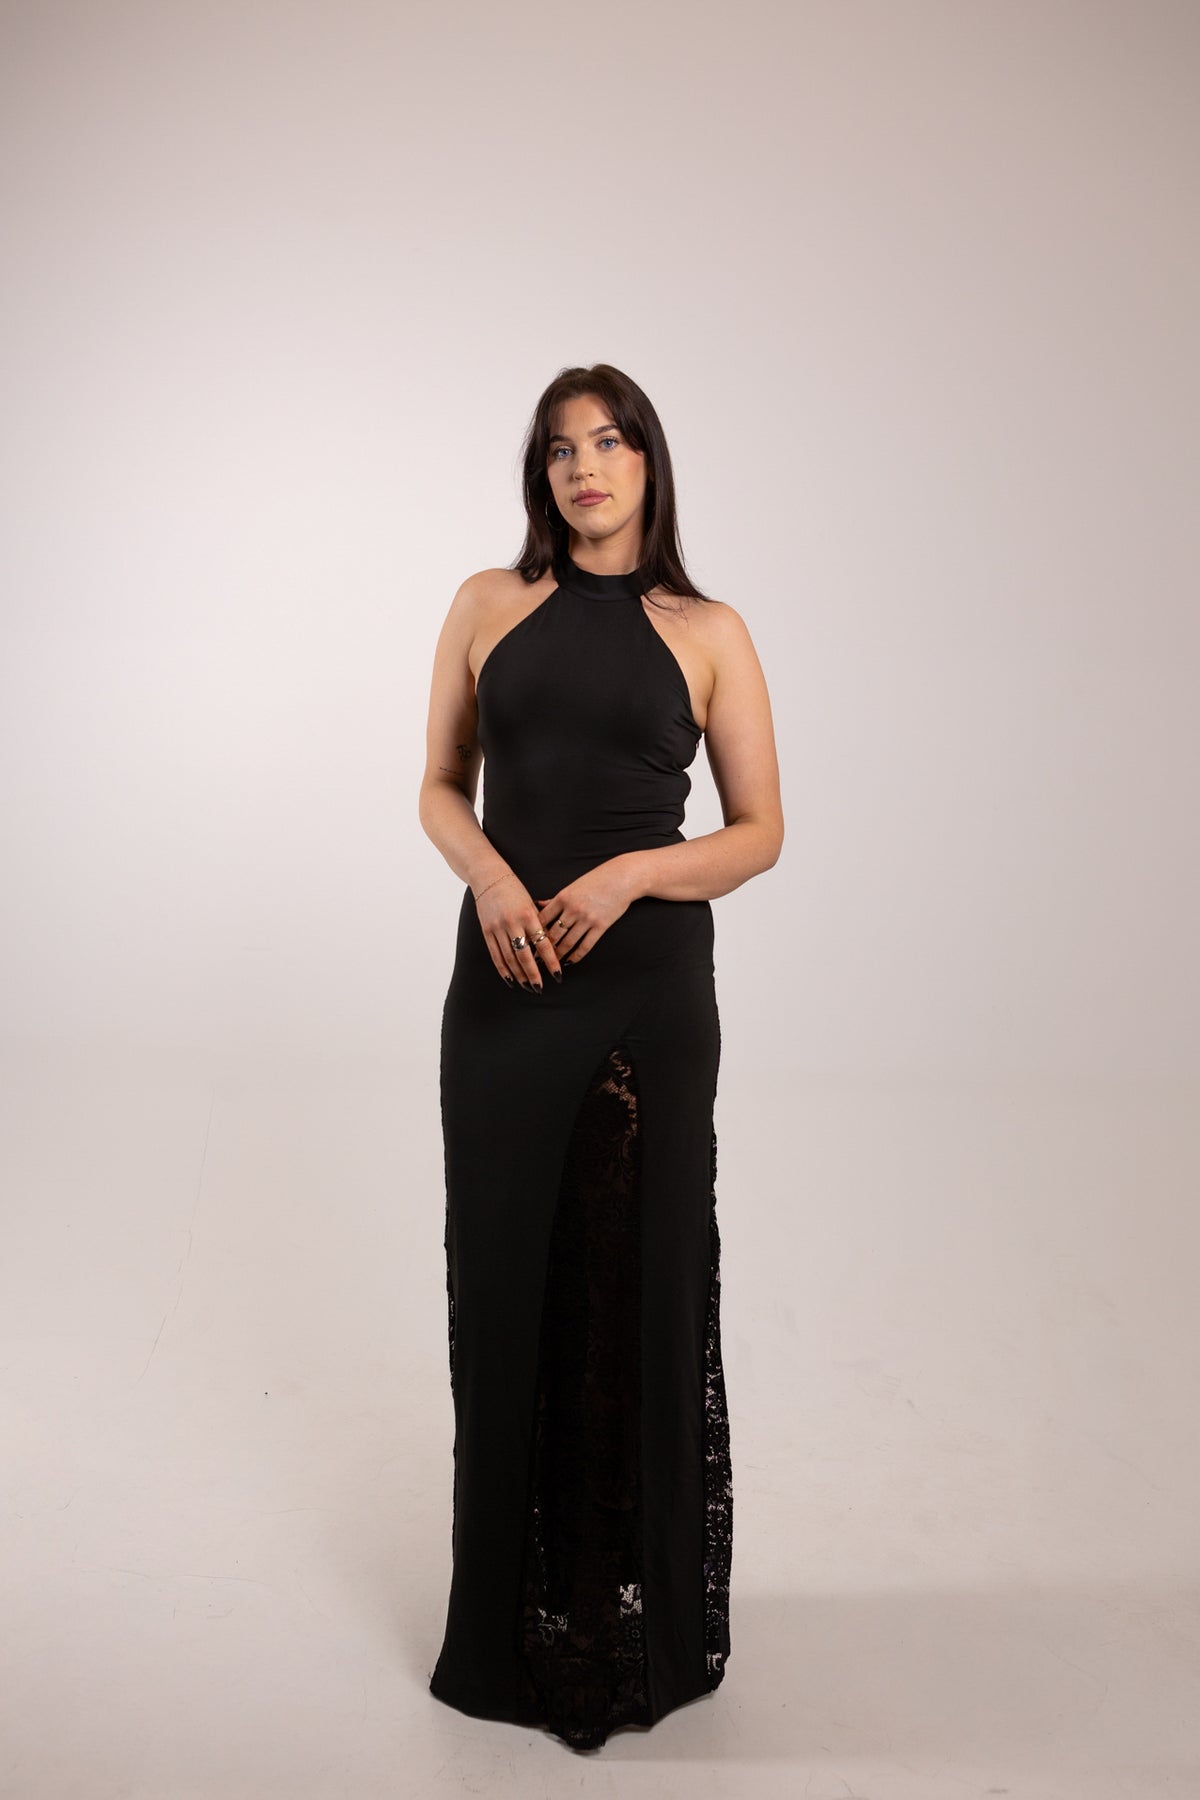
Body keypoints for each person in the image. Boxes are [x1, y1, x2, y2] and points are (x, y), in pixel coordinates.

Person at [418, 362, 783, 1750]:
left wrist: (631, 873)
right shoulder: (485, 605)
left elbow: (759, 832)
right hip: (505, 982)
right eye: (562, 449)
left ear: (648, 464)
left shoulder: (709, 630)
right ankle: (504, 1638)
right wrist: (491, 879)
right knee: (508, 1282)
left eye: (610, 442)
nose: (585, 467)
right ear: (542, 474)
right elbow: (439, 786)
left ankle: (643, 1636)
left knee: (639, 1279)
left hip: (645, 994)